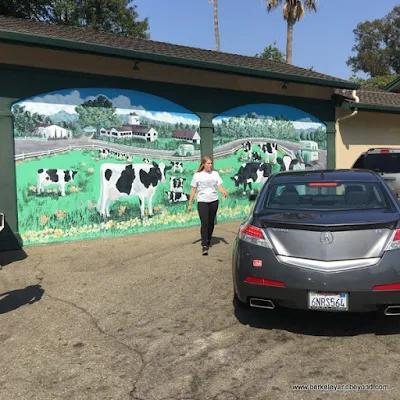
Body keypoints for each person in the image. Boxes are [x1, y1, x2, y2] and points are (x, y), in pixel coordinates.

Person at [188, 156, 228, 255]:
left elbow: (219, 186)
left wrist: (223, 191)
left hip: (214, 201)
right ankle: (204, 244)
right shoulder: (197, 175)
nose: (210, 165)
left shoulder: (215, 174)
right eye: (208, 163)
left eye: (211, 163)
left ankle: (208, 239)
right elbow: (193, 190)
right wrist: (190, 203)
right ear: (203, 164)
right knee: (205, 222)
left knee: (211, 223)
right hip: (202, 202)